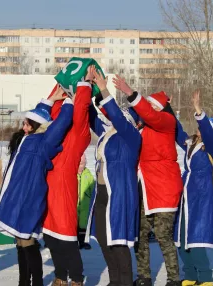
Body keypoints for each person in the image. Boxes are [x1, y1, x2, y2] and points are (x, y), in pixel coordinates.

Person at [0, 89, 73, 286]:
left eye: (27, 123)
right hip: (16, 194)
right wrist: (51, 100)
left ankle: (35, 281)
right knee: (20, 243)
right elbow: (39, 115)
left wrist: (71, 102)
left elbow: (60, 124)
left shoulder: (42, 141)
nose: (23, 126)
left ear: (35, 126)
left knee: (27, 242)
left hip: (28, 196)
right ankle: (23, 281)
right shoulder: (24, 139)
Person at [113, 76, 182, 286]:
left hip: (164, 188)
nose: (146, 110)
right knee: (140, 234)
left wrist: (131, 93)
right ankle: (144, 276)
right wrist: (99, 96)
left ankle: (174, 279)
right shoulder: (142, 129)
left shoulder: (167, 123)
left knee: (162, 234)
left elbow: (151, 115)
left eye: (151, 106)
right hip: (144, 188)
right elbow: (120, 120)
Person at [85, 70, 141, 286]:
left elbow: (116, 115)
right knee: (103, 238)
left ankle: (124, 282)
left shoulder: (131, 135)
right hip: (101, 193)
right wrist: (86, 87)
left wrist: (104, 89)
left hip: (119, 193)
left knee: (118, 242)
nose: (114, 117)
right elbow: (91, 116)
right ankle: (115, 279)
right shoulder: (108, 132)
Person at [41, 66, 94, 286]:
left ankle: (77, 279)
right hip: (49, 185)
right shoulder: (58, 131)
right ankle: (60, 276)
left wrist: (86, 84)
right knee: (51, 236)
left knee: (67, 237)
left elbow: (81, 108)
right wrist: (60, 87)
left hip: (64, 188)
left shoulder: (79, 134)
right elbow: (48, 115)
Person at [174, 90, 213, 286]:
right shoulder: (191, 144)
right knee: (181, 238)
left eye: (203, 128)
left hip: (202, 198)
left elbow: (210, 135)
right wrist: (166, 109)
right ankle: (190, 275)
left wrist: (198, 109)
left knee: (196, 240)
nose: (199, 129)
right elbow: (177, 132)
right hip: (186, 195)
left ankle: (205, 278)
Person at [77, 153, 94, 250]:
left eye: (83, 164)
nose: (81, 167)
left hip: (85, 204)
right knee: (74, 223)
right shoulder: (72, 174)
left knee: (83, 224)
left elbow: (92, 187)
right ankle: (75, 241)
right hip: (74, 204)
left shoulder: (88, 175)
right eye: (79, 164)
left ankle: (83, 242)